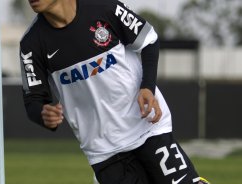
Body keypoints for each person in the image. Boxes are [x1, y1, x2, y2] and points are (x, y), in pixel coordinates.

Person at [20, 0, 209, 183]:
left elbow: (149, 40)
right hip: (104, 151)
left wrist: (147, 87)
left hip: (147, 127)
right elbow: (33, 100)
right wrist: (43, 114)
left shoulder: (104, 7)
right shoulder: (31, 44)